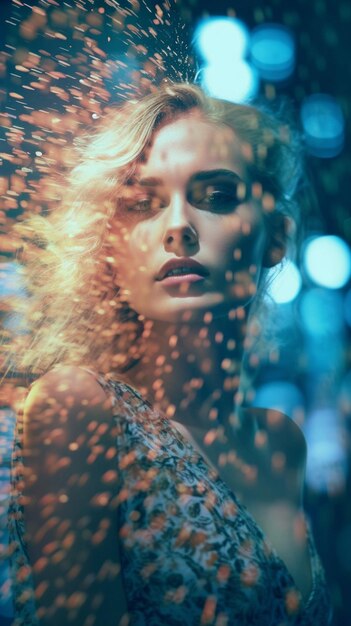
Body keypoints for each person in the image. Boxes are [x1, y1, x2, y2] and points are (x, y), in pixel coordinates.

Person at [8, 83, 332, 625]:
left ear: (276, 235)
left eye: (217, 195)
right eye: (142, 203)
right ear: (110, 245)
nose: (179, 226)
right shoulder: (78, 409)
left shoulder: (280, 442)